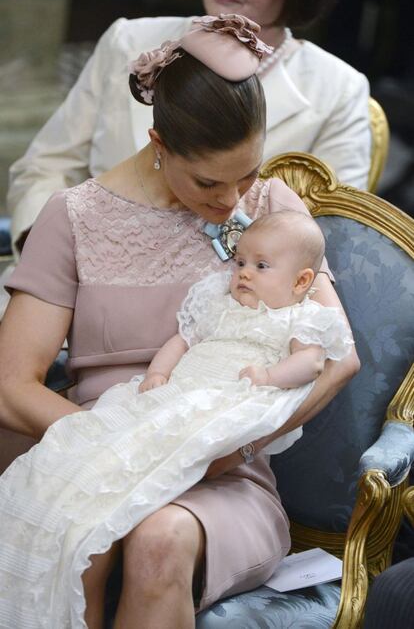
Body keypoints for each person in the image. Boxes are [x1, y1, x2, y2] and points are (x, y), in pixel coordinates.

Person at [0, 14, 360, 629]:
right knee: (84, 527)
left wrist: (225, 445)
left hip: (223, 475)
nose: (231, 201)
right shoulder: (73, 218)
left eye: (247, 172)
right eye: (209, 181)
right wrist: (126, 449)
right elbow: (12, 386)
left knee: (158, 536)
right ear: (159, 144)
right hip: (89, 448)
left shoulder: (273, 209)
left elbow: (339, 356)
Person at [0, 211, 354, 628]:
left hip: (224, 441)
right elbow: (181, 340)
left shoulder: (297, 305)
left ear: (299, 281)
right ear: (159, 145)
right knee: (71, 525)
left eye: (260, 266)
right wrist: (151, 384)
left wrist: (266, 384)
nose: (243, 273)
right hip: (149, 414)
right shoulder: (216, 304)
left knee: (158, 539)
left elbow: (323, 361)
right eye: (239, 262)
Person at [6, 0, 371, 257]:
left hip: (225, 309)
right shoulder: (127, 40)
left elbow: (332, 236)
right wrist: (50, 255)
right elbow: (45, 167)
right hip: (74, 275)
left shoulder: (338, 89)